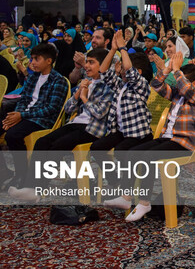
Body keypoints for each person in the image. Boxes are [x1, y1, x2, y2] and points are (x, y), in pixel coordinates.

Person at [104, 53, 195, 221]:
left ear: (193, 83)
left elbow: (188, 89)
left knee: (147, 157)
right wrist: (166, 69)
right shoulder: (176, 95)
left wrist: (177, 69)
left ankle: (144, 202)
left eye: (182, 80)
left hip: (182, 142)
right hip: (167, 138)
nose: (178, 83)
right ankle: (126, 196)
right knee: (133, 152)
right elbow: (156, 84)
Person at [9, 49, 114, 201]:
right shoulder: (86, 82)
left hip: (92, 128)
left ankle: (37, 188)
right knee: (42, 141)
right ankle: (31, 186)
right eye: (87, 62)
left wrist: (84, 98)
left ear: (103, 66)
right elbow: (68, 109)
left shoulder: (107, 87)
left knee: (56, 146)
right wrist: (77, 95)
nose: (87, 66)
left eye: (92, 62)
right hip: (76, 123)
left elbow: (99, 113)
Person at [0, 43, 68, 185]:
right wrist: (17, 113)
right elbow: (23, 98)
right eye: (32, 59)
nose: (32, 63)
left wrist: (22, 116)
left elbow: (51, 108)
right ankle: (4, 171)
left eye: (37, 59)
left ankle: (22, 174)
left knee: (13, 135)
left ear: (48, 61)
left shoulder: (58, 80)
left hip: (41, 119)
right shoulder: (33, 77)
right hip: (25, 115)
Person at [90, 30, 154, 153]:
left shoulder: (141, 85)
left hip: (138, 133)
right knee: (96, 148)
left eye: (124, 69)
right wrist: (114, 49)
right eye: (122, 69)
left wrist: (123, 48)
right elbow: (103, 71)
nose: (122, 71)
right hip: (122, 131)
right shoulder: (121, 85)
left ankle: (126, 173)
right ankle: (113, 173)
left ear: (139, 72)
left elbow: (130, 71)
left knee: (120, 151)